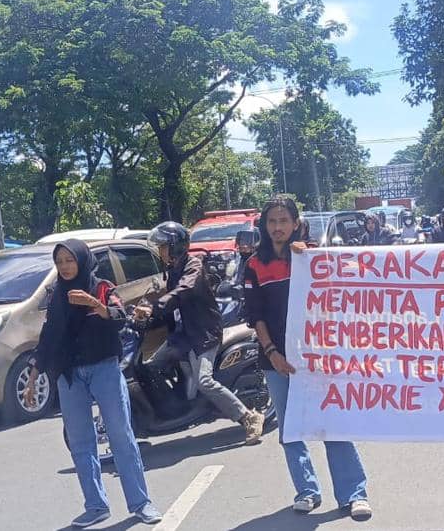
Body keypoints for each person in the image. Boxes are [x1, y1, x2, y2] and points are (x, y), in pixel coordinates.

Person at [244, 197, 372, 521]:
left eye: (283, 220)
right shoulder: (254, 265)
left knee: (333, 424)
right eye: (271, 221)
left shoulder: (312, 255)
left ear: (295, 222)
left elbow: (338, 296)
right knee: (291, 429)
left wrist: (310, 258)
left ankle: (353, 494)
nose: (277, 228)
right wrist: (272, 352)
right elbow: (255, 315)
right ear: (264, 225)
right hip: (275, 360)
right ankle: (307, 490)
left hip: (318, 357)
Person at [25, 240, 162, 527]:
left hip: (104, 369)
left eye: (69, 260)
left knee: (120, 436)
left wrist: (95, 305)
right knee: (80, 442)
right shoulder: (56, 295)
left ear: (82, 260)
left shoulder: (101, 287)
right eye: (59, 261)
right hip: (69, 374)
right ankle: (96, 506)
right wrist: (34, 375)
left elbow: (119, 317)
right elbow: (49, 336)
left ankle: (141, 503)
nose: (64, 266)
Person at [135, 222, 266, 445]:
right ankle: (176, 405)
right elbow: (159, 295)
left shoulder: (192, 266)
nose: (161, 251)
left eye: (164, 246)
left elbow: (182, 291)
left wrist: (156, 307)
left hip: (203, 334)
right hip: (183, 334)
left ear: (175, 246)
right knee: (153, 366)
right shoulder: (172, 269)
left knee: (205, 381)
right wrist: (143, 310)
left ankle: (248, 417)